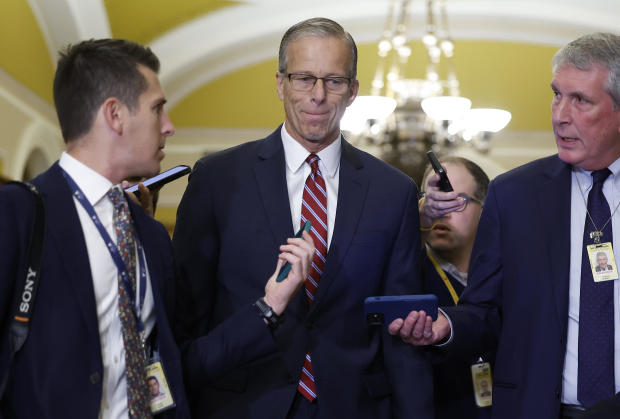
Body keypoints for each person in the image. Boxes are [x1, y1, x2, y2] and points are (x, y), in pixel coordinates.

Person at [173, 17, 431, 419]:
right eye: (304, 78)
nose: (318, 95)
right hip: (242, 404)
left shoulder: (393, 192)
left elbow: (400, 334)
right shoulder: (217, 180)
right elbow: (187, 323)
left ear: (353, 92)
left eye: (334, 81)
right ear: (280, 83)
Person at [389, 32, 620, 418]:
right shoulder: (514, 195)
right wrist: (445, 326)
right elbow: (484, 310)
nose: (560, 115)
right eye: (556, 94)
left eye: (580, 100)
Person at [0, 38, 192, 419]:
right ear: (115, 115)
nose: (169, 127)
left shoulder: (151, 236)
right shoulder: (17, 214)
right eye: (157, 109)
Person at [419, 157, 491, 419]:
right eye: (433, 199)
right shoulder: (407, 274)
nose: (442, 211)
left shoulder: (505, 275)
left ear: (485, 208)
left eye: (457, 200)